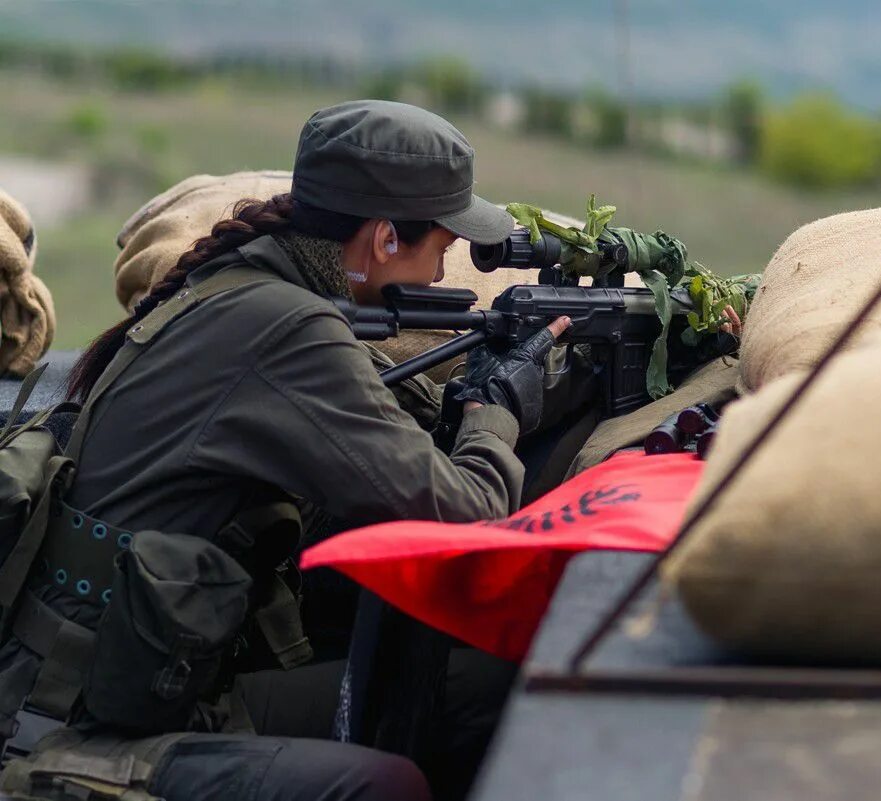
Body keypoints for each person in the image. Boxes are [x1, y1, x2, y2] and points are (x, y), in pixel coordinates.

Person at [0, 100, 570, 801]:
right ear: (385, 239)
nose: (444, 268)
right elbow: (468, 516)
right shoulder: (287, 330)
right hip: (80, 723)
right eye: (443, 246)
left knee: (473, 683)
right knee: (386, 780)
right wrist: (496, 414)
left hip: (134, 672)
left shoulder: (240, 283)